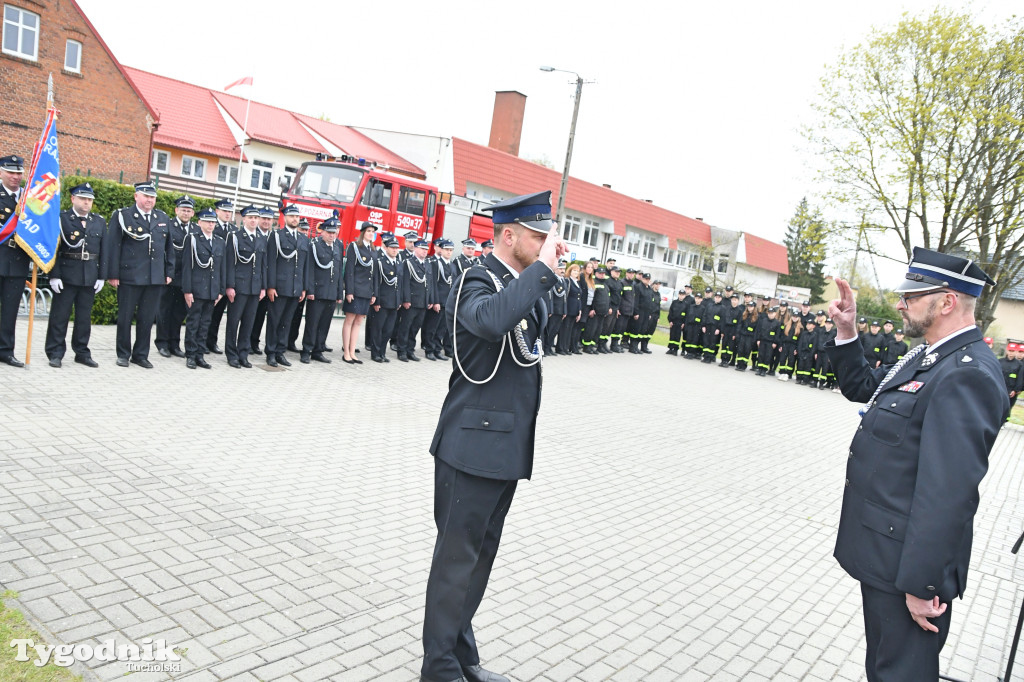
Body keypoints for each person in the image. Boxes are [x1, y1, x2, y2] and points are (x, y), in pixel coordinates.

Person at [825, 248, 1008, 682]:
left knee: (901, 674)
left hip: (909, 570)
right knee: (884, 669)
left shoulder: (967, 373)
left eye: (912, 296)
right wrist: (848, 331)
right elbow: (864, 386)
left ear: (946, 302)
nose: (901, 304)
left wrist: (922, 586)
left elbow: (947, 494)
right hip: (887, 554)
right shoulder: (927, 355)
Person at [421, 190, 567, 682]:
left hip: (503, 446)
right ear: (509, 236)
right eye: (537, 237)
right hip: (470, 447)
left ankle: (462, 656)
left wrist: (542, 275)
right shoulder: (475, 279)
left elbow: (530, 338)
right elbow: (492, 321)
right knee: (455, 563)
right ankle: (438, 668)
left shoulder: (517, 282)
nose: (546, 246)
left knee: (478, 562)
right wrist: (540, 272)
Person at [102, 181, 173, 368]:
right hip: (130, 276)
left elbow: (169, 249)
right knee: (125, 317)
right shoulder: (123, 216)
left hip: (154, 277)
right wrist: (113, 274)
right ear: (136, 196)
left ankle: (140, 355)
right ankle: (123, 354)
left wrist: (169, 272)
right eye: (146, 196)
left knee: (147, 318)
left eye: (152, 197)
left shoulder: (163, 217)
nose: (149, 200)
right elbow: (113, 246)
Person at [45, 182, 105, 368]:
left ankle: (81, 352)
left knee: (83, 318)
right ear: (73, 199)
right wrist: (54, 275)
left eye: (89, 199)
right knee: (59, 316)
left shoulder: (99, 221)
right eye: (83, 198)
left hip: (89, 275)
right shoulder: (62, 218)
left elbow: (104, 251)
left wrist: (102, 276)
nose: (86, 203)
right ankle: (55, 352)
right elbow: (53, 248)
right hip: (66, 275)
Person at [265, 204, 309, 367]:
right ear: (285, 218)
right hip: (279, 287)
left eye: (297, 216)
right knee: (274, 321)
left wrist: (304, 287)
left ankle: (280, 352)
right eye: (291, 216)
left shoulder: (304, 239)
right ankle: (270, 352)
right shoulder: (277, 236)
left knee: (287, 322)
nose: (295, 219)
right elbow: (271, 262)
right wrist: (271, 286)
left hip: (295, 288)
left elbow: (305, 266)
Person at [181, 209, 226, 369]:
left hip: (212, 290)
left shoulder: (220, 241)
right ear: (199, 223)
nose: (210, 225)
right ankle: (191, 355)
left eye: (213, 222)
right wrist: (187, 290)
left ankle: (200, 355)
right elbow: (187, 267)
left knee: (205, 324)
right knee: (193, 323)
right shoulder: (192, 239)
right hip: (197, 289)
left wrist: (221, 290)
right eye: (207, 222)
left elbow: (222, 268)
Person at [224, 206, 267, 369]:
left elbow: (263, 265)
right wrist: (230, 286)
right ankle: (231, 354)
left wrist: (263, 287)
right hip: (239, 287)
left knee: (248, 323)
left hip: (254, 288)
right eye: (250, 217)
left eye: (256, 218)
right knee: (233, 322)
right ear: (244, 219)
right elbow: (230, 263)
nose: (254, 220)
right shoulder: (235, 237)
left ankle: (243, 353)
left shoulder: (261, 238)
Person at [155, 195, 195, 358]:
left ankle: (174, 344)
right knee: (164, 311)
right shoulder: (168, 226)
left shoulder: (195, 230)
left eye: (189, 210)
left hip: (185, 279)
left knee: (179, 313)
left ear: (193, 213)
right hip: (170, 277)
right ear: (176, 210)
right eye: (183, 210)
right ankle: (162, 343)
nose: (185, 213)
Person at [301, 217, 343, 364]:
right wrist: (310, 290)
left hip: (331, 293)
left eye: (334, 232)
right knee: (312, 324)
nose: (332, 235)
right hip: (318, 291)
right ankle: (306, 351)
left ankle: (318, 351)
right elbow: (310, 269)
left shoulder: (337, 247)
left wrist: (339, 293)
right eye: (329, 232)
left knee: (324, 324)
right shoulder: (315, 246)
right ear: (322, 232)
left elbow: (338, 272)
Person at [0, 154, 28, 367]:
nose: (15, 176)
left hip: (18, 261)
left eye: (19, 172)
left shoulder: (29, 200)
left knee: (10, 310)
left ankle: (6, 351)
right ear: (1, 173)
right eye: (11, 172)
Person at [341, 221, 376, 364]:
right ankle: (347, 352)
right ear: (363, 233)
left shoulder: (373, 250)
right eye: (368, 231)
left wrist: (373, 293)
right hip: (355, 290)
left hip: (366, 291)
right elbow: (349, 270)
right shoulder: (355, 247)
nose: (371, 233)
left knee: (359, 322)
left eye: (372, 231)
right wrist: (349, 291)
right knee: (349, 320)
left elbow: (373, 274)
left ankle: (353, 351)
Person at [397, 239, 431, 362]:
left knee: (415, 328)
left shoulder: (427, 264)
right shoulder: (408, 263)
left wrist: (429, 299)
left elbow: (429, 284)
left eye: (426, 249)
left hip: (422, 302)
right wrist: (406, 299)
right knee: (405, 327)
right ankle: (401, 351)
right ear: (415, 249)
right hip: (411, 301)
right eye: (422, 249)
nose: (425, 251)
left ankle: (410, 350)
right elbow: (405, 282)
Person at [249, 206, 276, 353]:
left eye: (269, 219)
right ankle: (246, 342)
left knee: (260, 316)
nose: (266, 221)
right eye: (264, 218)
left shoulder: (273, 236)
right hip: (255, 281)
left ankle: (254, 342)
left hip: (268, 282)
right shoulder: (254, 234)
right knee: (250, 315)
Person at [370, 237, 402, 363]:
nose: (395, 250)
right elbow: (376, 282)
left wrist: (399, 300)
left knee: (388, 330)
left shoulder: (399, 263)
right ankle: (375, 353)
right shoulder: (380, 262)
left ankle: (382, 352)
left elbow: (400, 284)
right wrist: (376, 301)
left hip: (393, 302)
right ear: (386, 248)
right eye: (392, 248)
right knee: (378, 329)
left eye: (396, 248)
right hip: (382, 301)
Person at [423, 239, 455, 361]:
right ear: (441, 250)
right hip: (439, 301)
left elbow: (453, 285)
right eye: (447, 250)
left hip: (448, 301)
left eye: (451, 250)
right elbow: (433, 284)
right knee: (432, 327)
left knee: (442, 328)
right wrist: (435, 301)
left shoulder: (452, 265)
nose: (449, 252)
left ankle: (437, 349)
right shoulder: (436, 264)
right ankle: (429, 350)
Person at [544, 260, 567, 355]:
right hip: (554, 310)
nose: (562, 270)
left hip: (560, 310)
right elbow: (551, 297)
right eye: (560, 268)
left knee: (555, 330)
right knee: (550, 330)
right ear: (555, 269)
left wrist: (565, 311)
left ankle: (549, 348)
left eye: (563, 269)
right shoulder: (553, 280)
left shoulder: (564, 281)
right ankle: (545, 348)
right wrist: (551, 310)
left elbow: (565, 298)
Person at [559, 263, 582, 356]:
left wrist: (579, 310)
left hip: (575, 309)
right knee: (564, 329)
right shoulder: (568, 281)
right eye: (574, 270)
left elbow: (579, 297)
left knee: (569, 330)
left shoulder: (577, 282)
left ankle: (566, 347)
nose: (576, 272)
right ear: (570, 271)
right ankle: (560, 348)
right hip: (568, 308)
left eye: (577, 271)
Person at [753, 306, 780, 376]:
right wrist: (758, 339)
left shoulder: (777, 323)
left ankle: (764, 370)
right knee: (761, 355)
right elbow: (759, 331)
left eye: (772, 313)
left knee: (767, 356)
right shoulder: (763, 320)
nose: (770, 315)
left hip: (770, 342)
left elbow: (778, 334)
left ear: (775, 314)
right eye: (769, 313)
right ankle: (759, 369)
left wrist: (775, 342)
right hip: (762, 340)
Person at [1000, 341, 1022, 412]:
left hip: (1010, 390)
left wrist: (1015, 390)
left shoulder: (1019, 365)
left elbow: (1020, 378)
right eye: (1010, 350)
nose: (1011, 353)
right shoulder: (1000, 361)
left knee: (1007, 408)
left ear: (1016, 352)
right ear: (1007, 350)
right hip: (999, 387)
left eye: (1013, 351)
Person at [666, 288, 686, 355]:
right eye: (680, 294)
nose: (681, 296)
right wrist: (670, 321)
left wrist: (684, 323)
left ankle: (675, 349)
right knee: (672, 335)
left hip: (680, 323)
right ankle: (670, 348)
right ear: (678, 295)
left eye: (683, 295)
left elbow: (686, 315)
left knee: (677, 336)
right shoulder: (674, 302)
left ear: (684, 296)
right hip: (673, 322)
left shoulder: (686, 304)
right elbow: (670, 312)